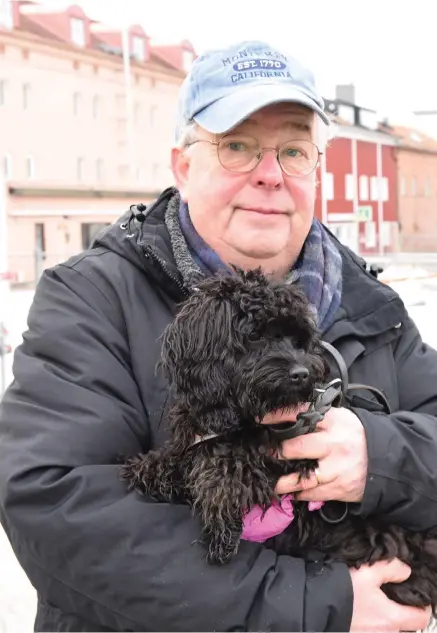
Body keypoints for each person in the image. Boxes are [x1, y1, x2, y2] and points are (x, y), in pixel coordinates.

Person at [0, 39, 435, 633]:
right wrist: (318, 606)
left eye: (293, 150)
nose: (269, 175)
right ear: (183, 165)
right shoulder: (93, 297)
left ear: (315, 169)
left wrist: (378, 458)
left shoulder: (369, 303)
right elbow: (54, 507)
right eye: (237, 147)